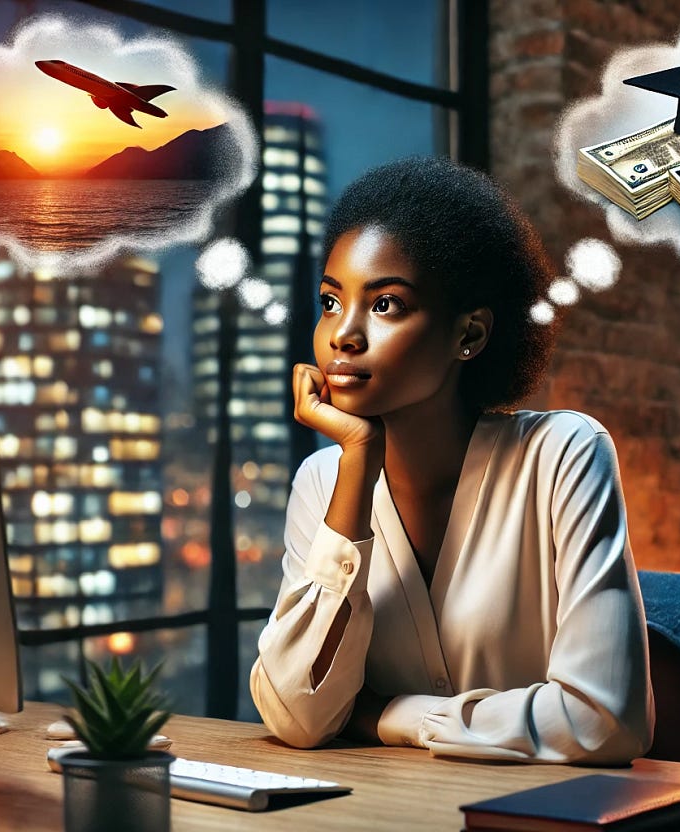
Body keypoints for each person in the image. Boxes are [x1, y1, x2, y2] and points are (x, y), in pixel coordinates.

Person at [248, 157, 653, 764]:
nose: (343, 336)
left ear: (469, 335)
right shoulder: (323, 483)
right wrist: (357, 461)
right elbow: (297, 715)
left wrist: (391, 714)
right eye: (330, 302)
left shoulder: (564, 455)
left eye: (385, 305)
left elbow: (603, 720)